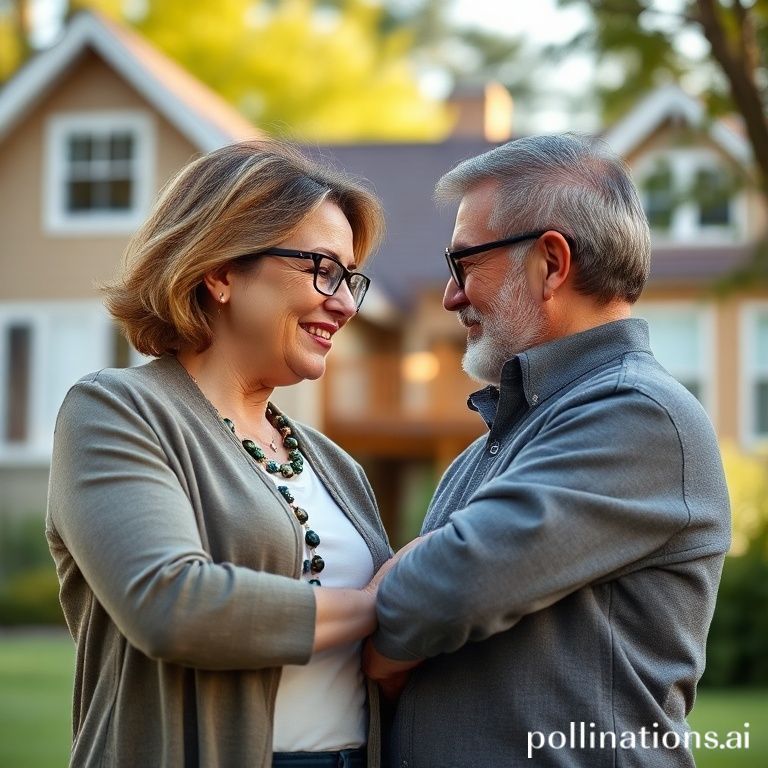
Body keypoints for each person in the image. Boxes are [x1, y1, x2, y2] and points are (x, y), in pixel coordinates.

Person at [364, 134, 731, 767]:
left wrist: (400, 608)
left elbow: (443, 590)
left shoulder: (639, 414)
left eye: (463, 264)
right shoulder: (512, 430)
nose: (451, 296)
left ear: (552, 264)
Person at [46, 140, 408, 768]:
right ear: (219, 272)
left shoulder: (335, 465)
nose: (346, 303)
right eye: (321, 268)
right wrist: (388, 599)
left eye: (350, 277)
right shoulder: (117, 412)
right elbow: (172, 606)